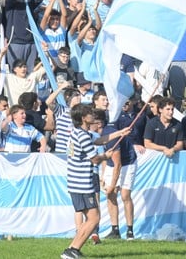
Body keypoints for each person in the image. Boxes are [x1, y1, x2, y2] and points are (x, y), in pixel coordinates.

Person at [60, 104, 128, 259]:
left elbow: (100, 140)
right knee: (94, 218)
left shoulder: (79, 133)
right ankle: (73, 249)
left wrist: (120, 133)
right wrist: (106, 156)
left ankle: (71, 250)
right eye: (89, 113)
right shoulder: (83, 136)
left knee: (90, 219)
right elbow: (95, 159)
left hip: (76, 183)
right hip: (82, 183)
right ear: (83, 118)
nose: (93, 115)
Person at [102, 116, 138, 240]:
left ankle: (130, 230)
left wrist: (112, 185)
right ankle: (115, 230)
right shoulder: (97, 135)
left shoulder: (110, 136)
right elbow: (105, 156)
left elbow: (118, 165)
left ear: (98, 124)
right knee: (110, 195)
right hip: (111, 163)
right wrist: (103, 175)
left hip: (128, 162)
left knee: (125, 195)